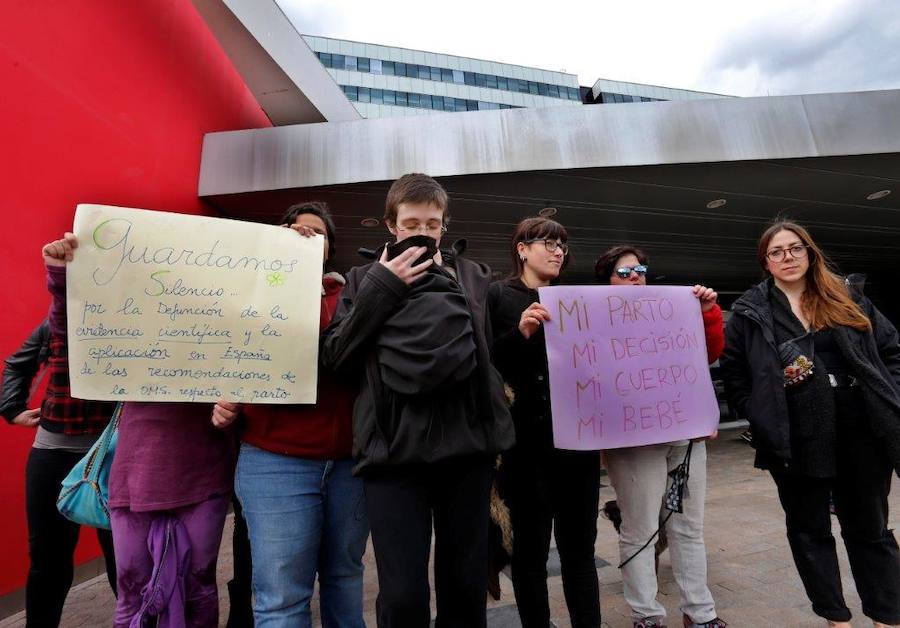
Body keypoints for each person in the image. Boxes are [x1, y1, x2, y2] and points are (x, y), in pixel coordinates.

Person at [320, 173, 515, 628]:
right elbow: (336, 357)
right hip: (393, 455)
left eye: (432, 223)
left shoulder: (472, 275)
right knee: (403, 594)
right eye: (411, 223)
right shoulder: (362, 278)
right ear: (391, 225)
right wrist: (384, 285)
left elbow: (484, 353)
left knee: (465, 587)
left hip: (466, 450)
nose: (422, 232)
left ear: (444, 226)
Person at [41, 233, 235, 627]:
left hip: (203, 474)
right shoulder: (128, 322)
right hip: (136, 475)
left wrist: (294, 249)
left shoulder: (225, 324)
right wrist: (60, 275)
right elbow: (74, 333)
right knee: (132, 588)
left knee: (199, 586)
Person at [720, 221, 900, 628]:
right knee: (809, 531)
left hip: (861, 427)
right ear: (765, 262)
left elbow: (891, 350)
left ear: (810, 252)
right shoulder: (752, 311)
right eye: (777, 252)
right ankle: (836, 618)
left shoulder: (846, 295)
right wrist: (761, 412)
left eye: (795, 248)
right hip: (795, 434)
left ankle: (887, 615)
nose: (788, 257)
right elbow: (735, 374)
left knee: (870, 527)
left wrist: (892, 396)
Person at [212, 202, 369, 627]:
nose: (302, 235)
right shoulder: (248, 293)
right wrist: (226, 402)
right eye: (292, 228)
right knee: (281, 595)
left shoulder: (350, 297)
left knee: (344, 576)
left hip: (348, 464)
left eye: (314, 232)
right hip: (273, 460)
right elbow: (221, 356)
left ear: (329, 249)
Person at [595, 245, 727, 628]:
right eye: (623, 272)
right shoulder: (597, 323)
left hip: (684, 439)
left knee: (688, 526)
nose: (635, 276)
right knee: (639, 530)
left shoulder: (674, 309)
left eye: (640, 269)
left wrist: (707, 313)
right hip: (633, 445)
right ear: (606, 281)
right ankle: (647, 615)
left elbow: (709, 354)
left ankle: (700, 613)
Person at [487, 216, 601, 628]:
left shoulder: (577, 299)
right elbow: (486, 366)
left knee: (579, 554)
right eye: (548, 243)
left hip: (578, 447)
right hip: (525, 451)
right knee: (530, 555)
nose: (557, 251)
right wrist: (520, 334)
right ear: (521, 248)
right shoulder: (498, 295)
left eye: (562, 246)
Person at [2, 320, 117, 627]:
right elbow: (17, 364)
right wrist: (12, 409)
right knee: (47, 563)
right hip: (52, 455)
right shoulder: (55, 324)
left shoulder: (131, 321)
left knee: (126, 560)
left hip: (113, 455)